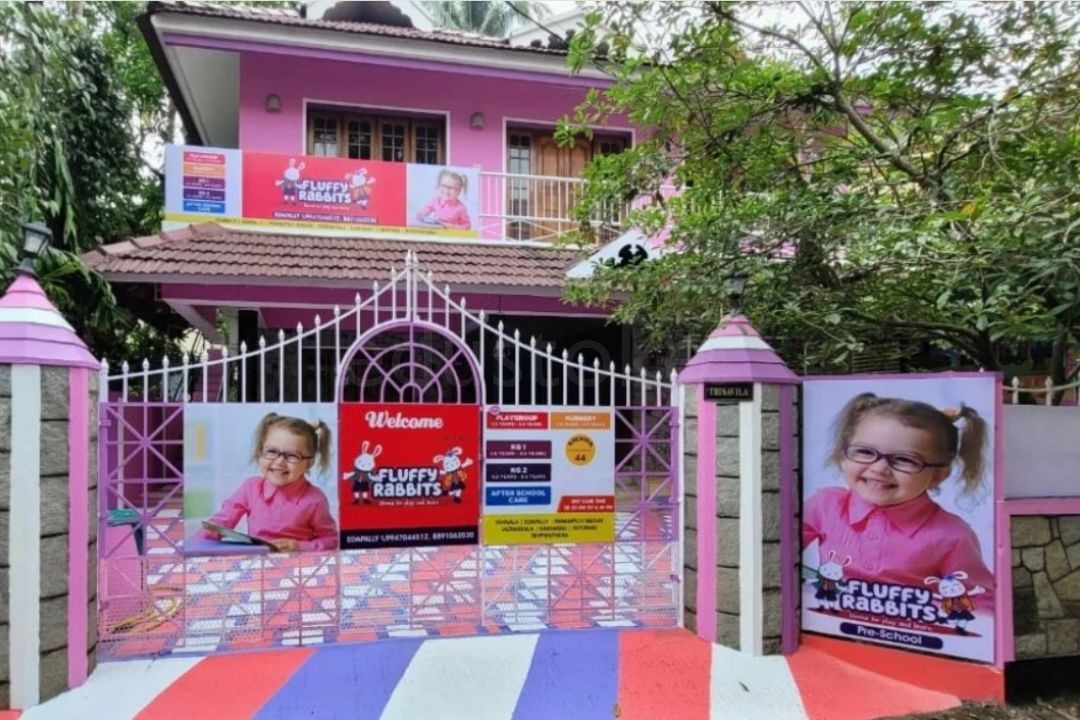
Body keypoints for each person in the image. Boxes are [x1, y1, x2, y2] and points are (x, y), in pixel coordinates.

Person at [802, 393, 994, 605]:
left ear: (938, 476)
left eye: (904, 459)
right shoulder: (825, 505)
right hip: (829, 630)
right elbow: (775, 550)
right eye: (865, 451)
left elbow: (981, 603)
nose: (879, 468)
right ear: (843, 454)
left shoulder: (952, 535)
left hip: (913, 634)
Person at [198, 412, 338, 552]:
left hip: (298, 565)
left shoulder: (315, 500)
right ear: (260, 454)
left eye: (293, 456)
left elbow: (331, 540)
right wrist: (197, 543)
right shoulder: (250, 488)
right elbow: (220, 523)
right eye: (271, 451)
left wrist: (299, 547)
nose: (279, 462)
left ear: (309, 464)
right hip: (257, 563)